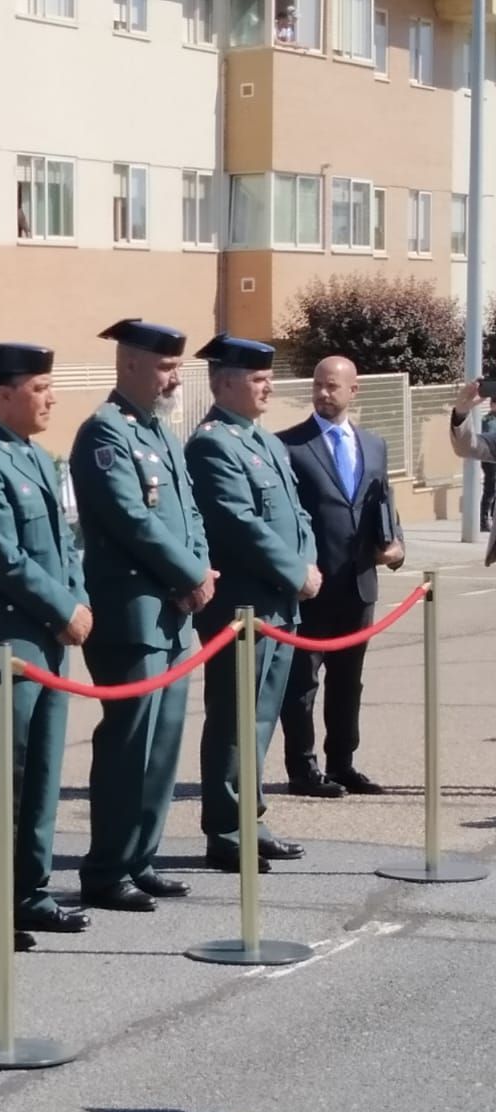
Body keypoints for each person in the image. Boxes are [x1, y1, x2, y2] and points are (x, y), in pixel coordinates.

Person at [0, 339, 91, 951]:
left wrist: (77, 601)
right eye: (39, 388)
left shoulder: (34, 458)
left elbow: (63, 547)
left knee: (40, 779)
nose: (51, 397)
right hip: (6, 649)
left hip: (47, 646)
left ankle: (29, 891)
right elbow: (3, 558)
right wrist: (65, 609)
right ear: (4, 394)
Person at [69, 320, 210, 912]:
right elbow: (132, 521)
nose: (174, 377)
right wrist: (188, 576)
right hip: (132, 617)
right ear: (128, 366)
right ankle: (105, 869)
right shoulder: (106, 433)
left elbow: (190, 515)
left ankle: (140, 857)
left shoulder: (160, 433)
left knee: (161, 747)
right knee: (128, 747)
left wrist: (199, 569)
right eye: (164, 367)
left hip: (172, 617)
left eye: (175, 367)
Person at [186, 335, 316, 873]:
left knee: (261, 720)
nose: (267, 387)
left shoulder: (264, 442)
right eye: (257, 378)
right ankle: (226, 830)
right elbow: (240, 526)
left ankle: (250, 818)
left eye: (268, 377)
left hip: (279, 606)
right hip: (242, 608)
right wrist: (295, 572)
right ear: (224, 383)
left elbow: (297, 514)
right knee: (235, 720)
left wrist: (307, 564)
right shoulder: (212, 444)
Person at [277, 356, 404, 799]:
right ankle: (303, 768)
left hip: (358, 582)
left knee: (349, 679)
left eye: (332, 386)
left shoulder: (374, 445)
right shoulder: (289, 446)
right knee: (302, 682)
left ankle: (343, 762)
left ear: (354, 391)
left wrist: (395, 545)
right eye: (318, 385)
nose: (323, 393)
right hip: (311, 586)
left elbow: (381, 503)